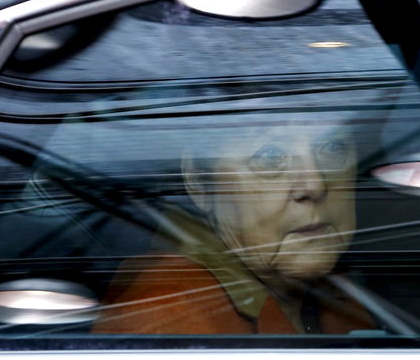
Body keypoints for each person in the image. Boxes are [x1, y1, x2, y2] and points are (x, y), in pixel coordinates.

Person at [92, 118, 374, 334]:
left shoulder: (331, 293)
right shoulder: (168, 319)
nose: (315, 184)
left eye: (333, 147)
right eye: (270, 157)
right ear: (201, 183)